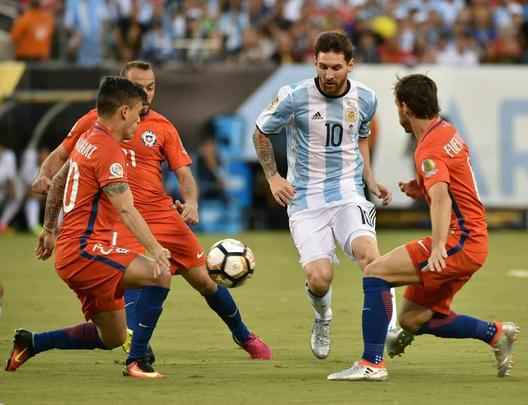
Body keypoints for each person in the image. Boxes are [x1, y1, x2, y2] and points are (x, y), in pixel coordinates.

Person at [32, 61, 271, 361]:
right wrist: (44, 174)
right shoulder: (95, 121)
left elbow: (185, 175)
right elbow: (61, 156)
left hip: (163, 216)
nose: (146, 94)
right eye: (138, 87)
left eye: (151, 87)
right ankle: (137, 349)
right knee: (137, 279)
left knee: (205, 280)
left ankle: (244, 335)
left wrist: (192, 203)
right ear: (124, 88)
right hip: (123, 220)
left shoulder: (163, 126)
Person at [327, 74, 520, 382]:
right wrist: (421, 188)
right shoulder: (446, 131)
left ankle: (371, 363)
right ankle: (495, 334)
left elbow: (442, 198)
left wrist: (440, 245)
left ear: (404, 107)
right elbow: (454, 181)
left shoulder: (428, 148)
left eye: (397, 107)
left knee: (376, 272)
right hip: (472, 239)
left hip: (461, 240)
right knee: (412, 319)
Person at [5, 77, 172, 378]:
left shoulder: (88, 138)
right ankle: (137, 362)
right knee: (160, 274)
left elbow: (57, 181)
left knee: (113, 337)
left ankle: (31, 342)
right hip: (86, 251)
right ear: (123, 112)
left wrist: (49, 229)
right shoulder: (108, 149)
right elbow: (125, 207)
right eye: (137, 113)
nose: (139, 120)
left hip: (74, 252)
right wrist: (155, 248)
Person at [253, 31, 395, 360]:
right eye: (322, 67)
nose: (328, 75)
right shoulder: (294, 96)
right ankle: (322, 317)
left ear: (350, 65)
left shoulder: (366, 98)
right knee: (319, 278)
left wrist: (369, 179)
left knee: (371, 258)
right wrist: (273, 177)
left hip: (349, 192)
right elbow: (261, 131)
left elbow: (361, 138)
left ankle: (390, 324)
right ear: (314, 62)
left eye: (336, 68)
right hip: (305, 199)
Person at [0, 144, 24, 234]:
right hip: (3, 186)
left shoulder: (8, 155)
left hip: (4, 185)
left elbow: (10, 175)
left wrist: (12, 188)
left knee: (17, 199)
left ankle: (2, 225)